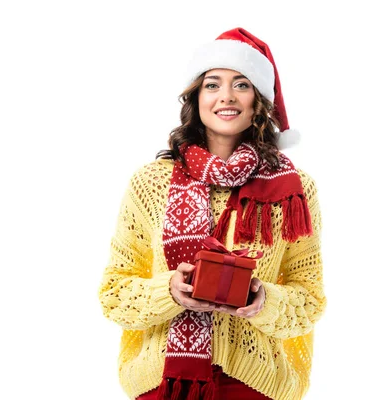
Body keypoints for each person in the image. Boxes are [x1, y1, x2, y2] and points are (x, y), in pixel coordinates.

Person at [98, 27, 327, 400]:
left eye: (241, 85)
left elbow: (310, 300)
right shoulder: (151, 183)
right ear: (196, 97)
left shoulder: (293, 190)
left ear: (258, 101)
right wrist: (169, 290)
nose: (226, 97)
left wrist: (262, 300)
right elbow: (114, 294)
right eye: (212, 84)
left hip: (253, 384)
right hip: (164, 384)